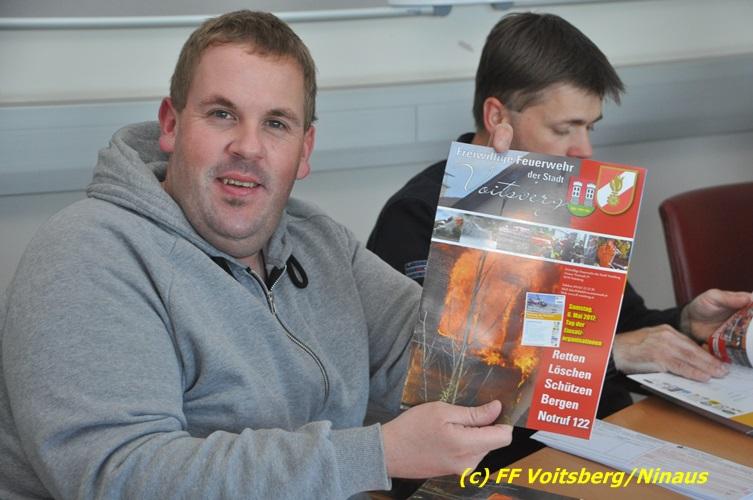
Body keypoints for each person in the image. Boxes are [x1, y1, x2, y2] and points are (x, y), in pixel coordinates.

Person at [0, 11, 513, 499]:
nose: (248, 146)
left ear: (305, 149)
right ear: (171, 125)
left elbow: (466, 368)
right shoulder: (89, 252)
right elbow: (120, 478)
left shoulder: (320, 243)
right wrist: (376, 454)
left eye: (276, 124)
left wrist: (504, 211)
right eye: (222, 114)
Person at [367, 12, 752, 416]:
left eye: (590, 127)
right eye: (564, 129)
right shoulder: (417, 214)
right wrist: (610, 355)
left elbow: (625, 326)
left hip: (603, 429)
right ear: (497, 116)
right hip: (498, 447)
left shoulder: (573, 200)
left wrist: (686, 323)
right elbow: (439, 378)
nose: (584, 149)